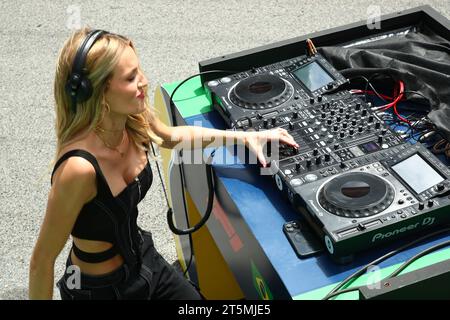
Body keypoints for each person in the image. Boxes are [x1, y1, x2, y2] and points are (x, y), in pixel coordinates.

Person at [28, 28, 299, 300]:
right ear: (99, 93)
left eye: (139, 70)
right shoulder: (78, 169)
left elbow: (172, 136)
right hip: (99, 290)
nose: (144, 82)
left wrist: (245, 137)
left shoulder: (134, 118)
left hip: (144, 262)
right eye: (131, 77)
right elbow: (42, 261)